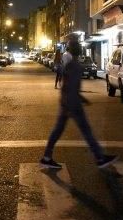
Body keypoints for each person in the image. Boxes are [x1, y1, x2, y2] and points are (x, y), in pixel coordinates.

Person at [39, 38, 117, 170]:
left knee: (58, 131)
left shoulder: (70, 64)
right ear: (76, 50)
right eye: (78, 47)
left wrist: (79, 98)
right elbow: (70, 87)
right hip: (72, 104)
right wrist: (74, 102)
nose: (80, 48)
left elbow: (67, 85)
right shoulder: (74, 65)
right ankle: (100, 158)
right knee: (86, 132)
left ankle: (46, 157)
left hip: (67, 102)